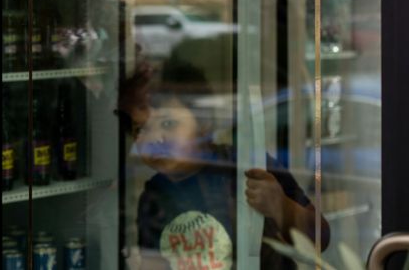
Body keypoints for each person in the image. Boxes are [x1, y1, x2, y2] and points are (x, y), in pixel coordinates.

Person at [117, 56, 330, 269]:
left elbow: (320, 239)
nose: (155, 139)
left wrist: (280, 206)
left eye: (168, 124)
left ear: (204, 124)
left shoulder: (245, 166)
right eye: (141, 129)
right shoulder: (154, 192)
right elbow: (154, 258)